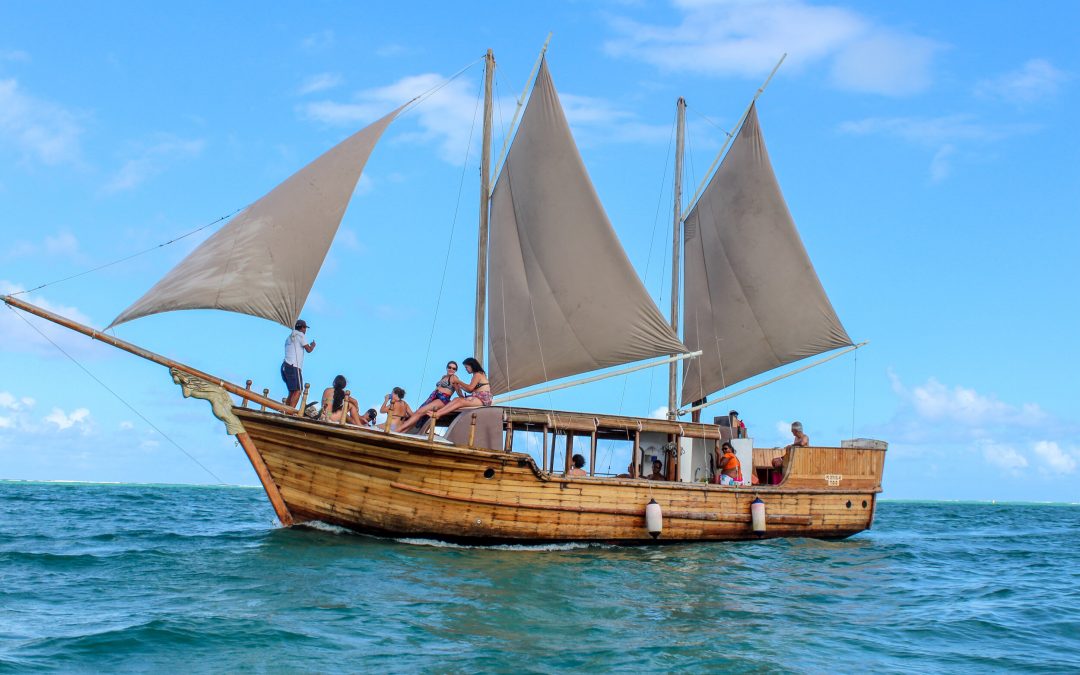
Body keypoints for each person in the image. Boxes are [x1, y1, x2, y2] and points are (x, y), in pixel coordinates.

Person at [395, 361, 460, 432]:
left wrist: (464, 397)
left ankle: (398, 429)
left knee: (420, 411)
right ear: (446, 368)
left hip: (442, 399)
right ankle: (403, 432)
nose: (451, 369)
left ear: (456, 370)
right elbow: (437, 388)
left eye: (454, 368)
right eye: (449, 367)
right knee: (419, 413)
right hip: (434, 396)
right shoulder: (443, 377)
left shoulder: (454, 378)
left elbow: (459, 392)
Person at [281, 319, 316, 408]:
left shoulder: (289, 337)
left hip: (285, 366)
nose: (305, 331)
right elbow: (308, 350)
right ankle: (291, 412)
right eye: (305, 328)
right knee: (299, 390)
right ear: (302, 328)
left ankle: (286, 410)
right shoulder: (300, 335)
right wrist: (313, 345)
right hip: (294, 366)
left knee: (292, 391)